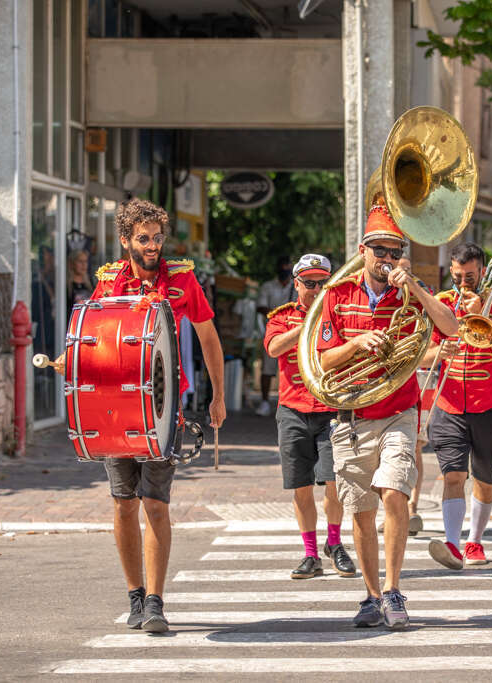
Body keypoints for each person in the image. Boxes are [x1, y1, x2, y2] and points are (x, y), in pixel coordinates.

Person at [316, 202, 459, 629]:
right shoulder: (337, 295)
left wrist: (414, 286)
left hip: (398, 410)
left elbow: (451, 327)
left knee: (394, 493)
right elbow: (323, 361)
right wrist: (358, 343)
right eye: (379, 250)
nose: (386, 258)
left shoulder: (410, 295)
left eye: (394, 251)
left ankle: (395, 590)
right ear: (363, 251)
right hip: (353, 412)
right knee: (360, 511)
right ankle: (372, 595)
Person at [90, 198, 227, 632]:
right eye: (143, 238)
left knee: (155, 502)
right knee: (123, 503)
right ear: (126, 240)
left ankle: (155, 601)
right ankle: (134, 595)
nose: (152, 246)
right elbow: (91, 334)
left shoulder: (183, 280)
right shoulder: (109, 282)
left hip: (165, 406)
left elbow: (208, 334)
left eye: (157, 237)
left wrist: (218, 395)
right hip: (117, 406)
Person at [425, 242, 492, 570]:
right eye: (457, 277)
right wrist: (438, 353)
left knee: (485, 478)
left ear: (481, 273)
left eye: (469, 276)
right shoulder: (442, 305)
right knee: (453, 474)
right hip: (449, 403)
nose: (463, 283)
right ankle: (452, 543)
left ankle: (474, 540)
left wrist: (481, 313)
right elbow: (422, 355)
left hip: (488, 403)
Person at [263, 253, 356, 579]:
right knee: (300, 487)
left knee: (334, 481)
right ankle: (310, 554)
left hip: (330, 409)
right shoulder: (283, 317)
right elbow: (273, 348)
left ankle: (335, 543)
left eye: (322, 283)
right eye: (309, 283)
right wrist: (307, 325)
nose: (316, 289)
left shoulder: (340, 316)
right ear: (296, 283)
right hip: (292, 411)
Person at [256, 256, 296, 416]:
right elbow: (260, 307)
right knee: (268, 367)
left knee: (291, 366)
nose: (285, 270)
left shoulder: (297, 286)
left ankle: (289, 402)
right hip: (275, 330)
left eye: (288, 267)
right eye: (283, 266)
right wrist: (278, 315)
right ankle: (265, 402)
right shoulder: (268, 287)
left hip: (293, 332)